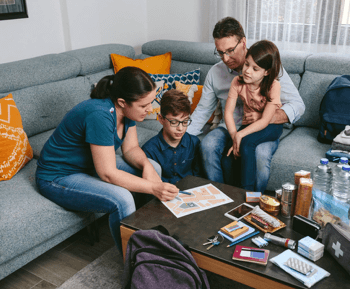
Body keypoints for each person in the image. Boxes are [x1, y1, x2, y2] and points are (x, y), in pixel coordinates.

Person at [35, 67, 179, 251]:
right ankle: (135, 263)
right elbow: (108, 174)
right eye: (144, 106)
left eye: (150, 103)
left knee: (153, 167)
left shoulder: (127, 112)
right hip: (57, 176)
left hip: (87, 166)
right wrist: (153, 187)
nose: (150, 110)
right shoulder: (100, 115)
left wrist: (146, 166)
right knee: (123, 198)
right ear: (122, 102)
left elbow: (131, 148)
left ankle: (150, 232)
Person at [187, 17, 305, 192]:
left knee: (260, 155)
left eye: (230, 50)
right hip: (229, 127)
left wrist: (267, 117)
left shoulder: (268, 66)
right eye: (220, 52)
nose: (225, 58)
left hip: (262, 127)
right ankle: (221, 198)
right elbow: (203, 111)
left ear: (243, 42)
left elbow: (298, 105)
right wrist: (179, 135)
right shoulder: (216, 73)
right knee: (208, 145)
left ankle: (253, 204)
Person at [225, 40, 284, 190]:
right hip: (249, 124)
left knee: (247, 144)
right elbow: (228, 112)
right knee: (230, 155)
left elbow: (265, 121)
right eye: (246, 64)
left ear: (267, 72)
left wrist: (241, 136)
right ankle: (233, 194)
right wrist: (234, 136)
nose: (247, 71)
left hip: (271, 125)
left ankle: (248, 196)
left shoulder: (273, 86)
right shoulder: (237, 82)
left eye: (255, 68)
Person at [142, 89, 203, 184]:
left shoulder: (194, 143)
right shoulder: (149, 150)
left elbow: (198, 176)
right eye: (174, 122)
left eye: (185, 122)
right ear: (161, 119)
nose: (180, 128)